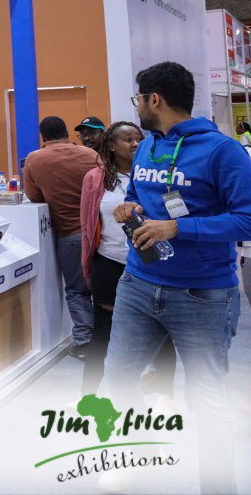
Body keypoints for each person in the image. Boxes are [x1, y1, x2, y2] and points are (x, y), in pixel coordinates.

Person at [105, 61, 251, 493]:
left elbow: (247, 219)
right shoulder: (148, 146)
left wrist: (178, 228)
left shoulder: (222, 152)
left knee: (206, 398)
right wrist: (129, 207)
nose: (137, 107)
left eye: (138, 99)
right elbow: (138, 194)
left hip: (202, 295)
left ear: (154, 99)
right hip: (138, 284)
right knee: (117, 377)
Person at [77, 121, 176, 395]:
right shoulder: (95, 178)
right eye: (127, 139)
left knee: (163, 332)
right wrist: (87, 265)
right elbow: (87, 225)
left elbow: (174, 210)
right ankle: (87, 395)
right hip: (110, 261)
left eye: (138, 139)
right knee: (103, 332)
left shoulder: (158, 173)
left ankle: (165, 396)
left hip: (152, 263)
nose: (135, 144)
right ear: (111, 145)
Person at [23, 115, 99, 357]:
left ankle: (85, 343)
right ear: (66, 132)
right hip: (101, 233)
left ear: (43, 136)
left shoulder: (35, 159)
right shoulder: (91, 155)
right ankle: (111, 341)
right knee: (107, 290)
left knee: (77, 291)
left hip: (69, 235)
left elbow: (34, 197)